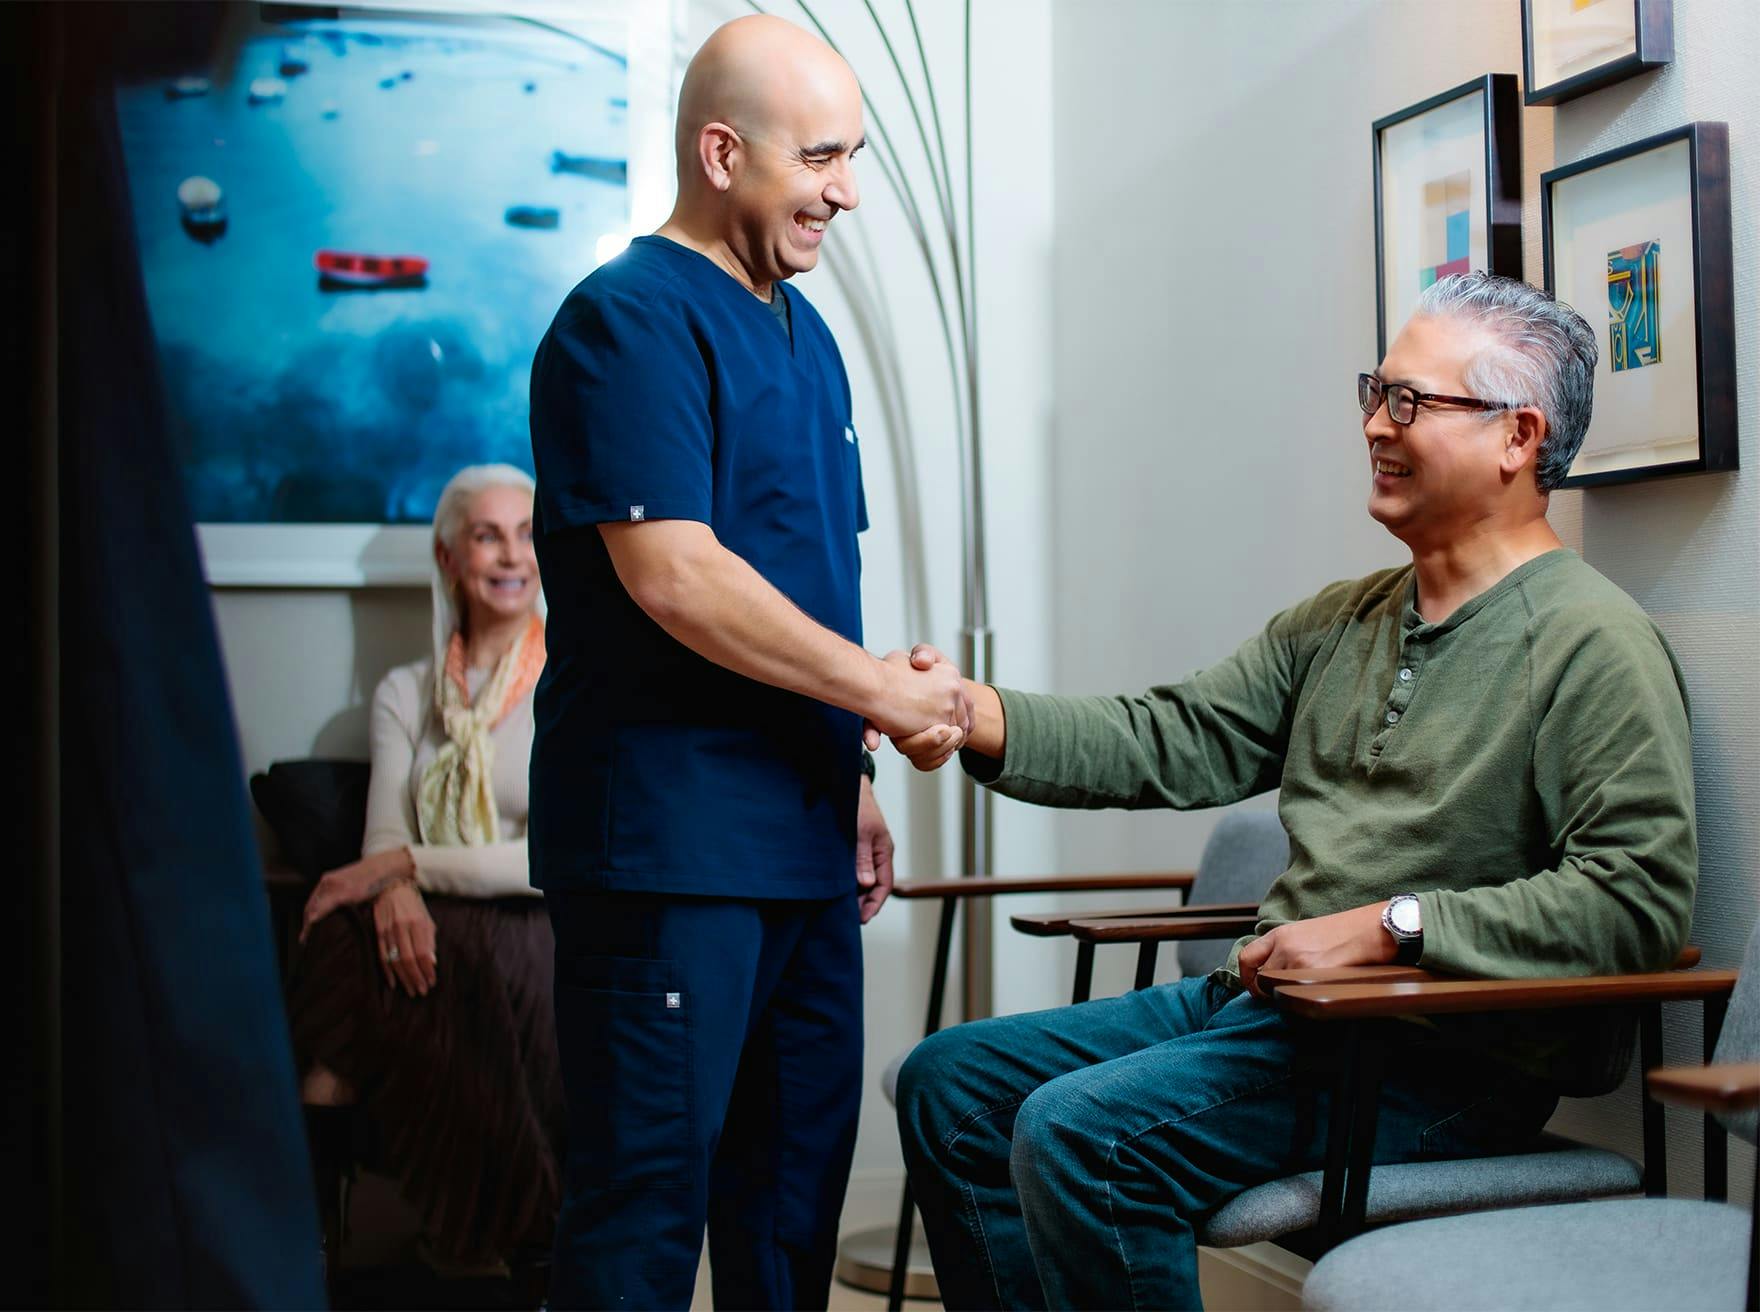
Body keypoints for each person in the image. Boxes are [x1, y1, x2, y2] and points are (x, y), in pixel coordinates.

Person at [888, 272, 1698, 1310]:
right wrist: (969, 711)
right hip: (1272, 1014)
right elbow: (1173, 736)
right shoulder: (1344, 619)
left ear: (1517, 437)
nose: (1374, 423)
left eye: (1411, 401)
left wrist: (1388, 928)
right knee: (949, 1087)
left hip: (1436, 1057)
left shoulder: (1595, 643)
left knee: (1082, 1137)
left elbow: (1633, 900)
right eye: (1375, 391)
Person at [525, 14, 972, 1310]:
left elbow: (809, 578)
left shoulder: (809, 336)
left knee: (789, 1220)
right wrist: (886, 690)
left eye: (858, 156)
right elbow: (677, 574)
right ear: (722, 152)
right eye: (821, 156)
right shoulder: (625, 322)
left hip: (803, 850)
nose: (846, 188)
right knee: (642, 1224)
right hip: (669, 851)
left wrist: (853, 773)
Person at [288, 465, 562, 1287]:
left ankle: (323, 1194)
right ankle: (342, 1230)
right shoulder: (407, 692)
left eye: (525, 533)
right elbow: (382, 830)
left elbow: (550, 857)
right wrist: (392, 884)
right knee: (346, 929)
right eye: (487, 535)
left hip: (537, 921)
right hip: (437, 928)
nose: (511, 554)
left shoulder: (572, 684)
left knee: (388, 945)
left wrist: (403, 866)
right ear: (449, 558)